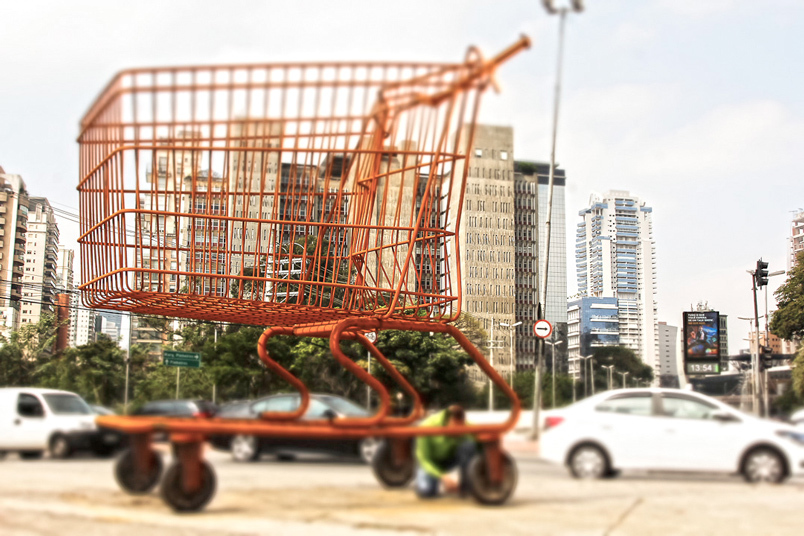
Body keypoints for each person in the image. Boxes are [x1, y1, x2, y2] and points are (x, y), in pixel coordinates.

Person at [415, 404, 477, 499]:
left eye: (460, 428)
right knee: (426, 491)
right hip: (431, 461)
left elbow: (483, 436)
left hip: (450, 458)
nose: (457, 432)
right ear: (447, 420)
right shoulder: (426, 426)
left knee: (469, 445)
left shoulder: (466, 425)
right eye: (454, 428)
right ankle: (437, 483)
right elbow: (424, 460)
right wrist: (444, 477)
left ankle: (465, 487)